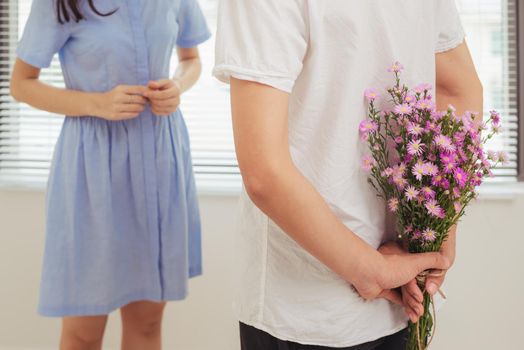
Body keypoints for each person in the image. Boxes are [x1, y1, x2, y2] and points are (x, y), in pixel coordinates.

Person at [213, 0, 482, 349]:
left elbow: (265, 170)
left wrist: (432, 240)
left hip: (329, 302)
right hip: (346, 297)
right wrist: (434, 236)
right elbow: (459, 91)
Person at [10, 0, 210, 349]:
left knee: (147, 325)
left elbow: (191, 60)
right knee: (84, 333)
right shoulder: (59, 4)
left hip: (159, 160)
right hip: (92, 172)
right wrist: (96, 103)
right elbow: (22, 84)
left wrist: (177, 86)